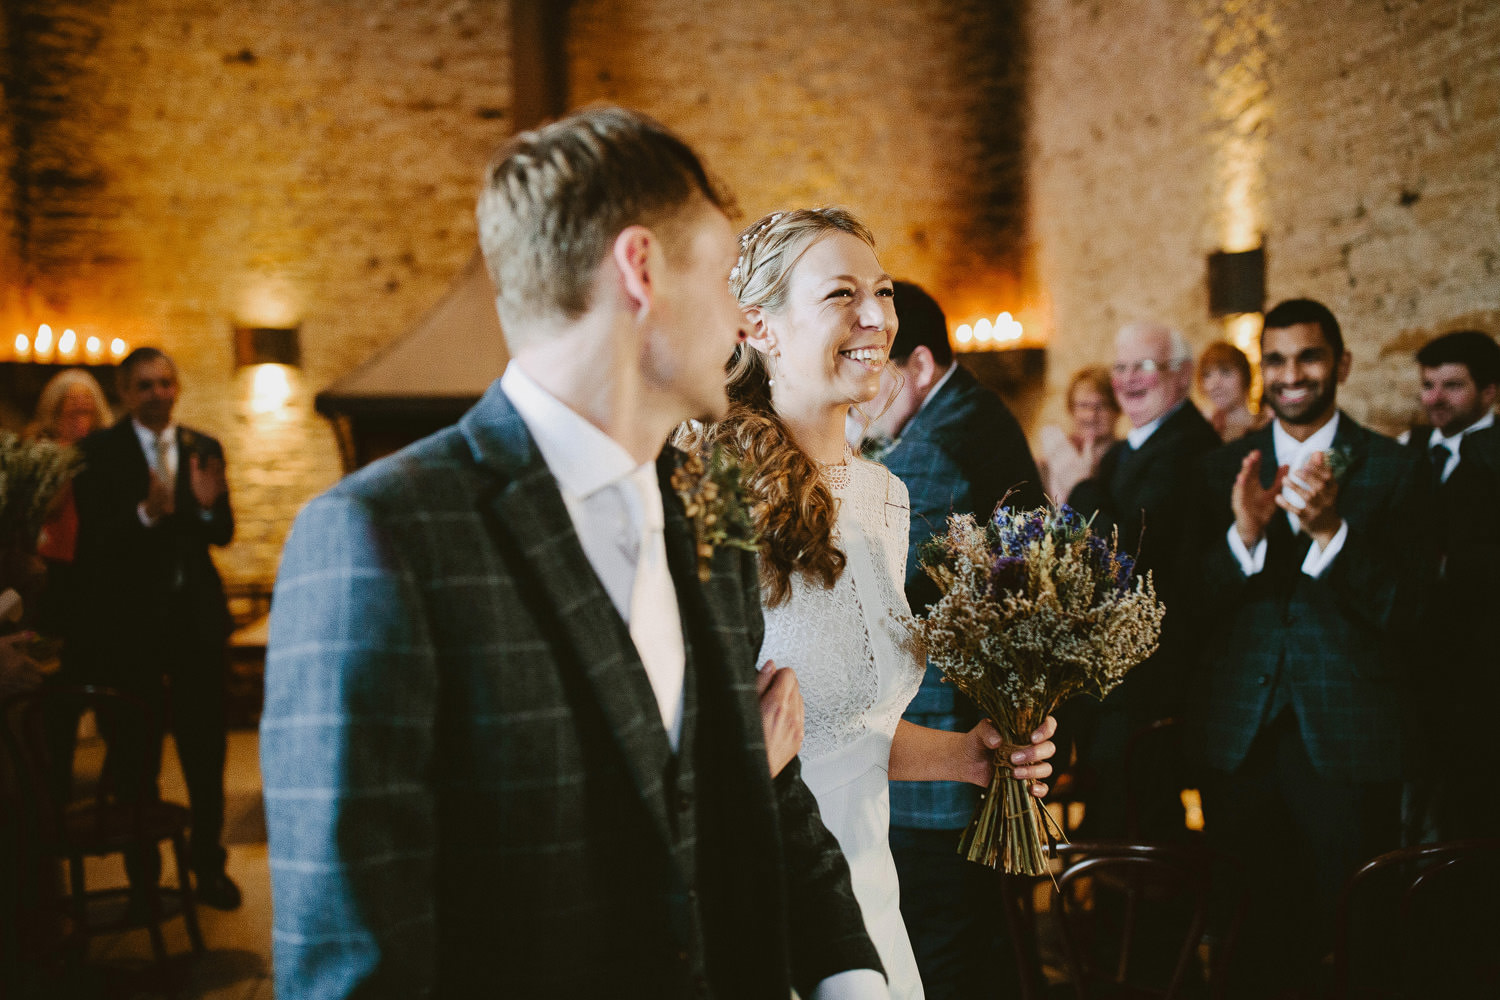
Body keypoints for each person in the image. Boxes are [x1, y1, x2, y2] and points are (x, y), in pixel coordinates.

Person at [261, 108, 888, 998]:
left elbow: (763, 790)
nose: (744, 323)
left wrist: (850, 980)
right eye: (721, 275)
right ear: (641, 270)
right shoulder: (380, 536)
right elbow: (352, 960)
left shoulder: (709, 509)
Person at [693, 208, 1057, 1000]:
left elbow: (854, 726)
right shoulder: (712, 499)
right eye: (842, 295)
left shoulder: (887, 499)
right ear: (760, 326)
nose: (877, 317)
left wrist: (969, 755)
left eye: (884, 291)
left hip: (871, 906)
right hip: (765, 900)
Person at [1191, 299, 1434, 995]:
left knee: (1361, 938)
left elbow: (1412, 612)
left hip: (1351, 740)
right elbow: (1185, 604)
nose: (1291, 373)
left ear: (1342, 365)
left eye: (1309, 356)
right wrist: (1243, 538)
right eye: (1276, 359)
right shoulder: (1219, 472)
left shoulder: (1394, 468)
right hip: (1240, 736)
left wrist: (1333, 534)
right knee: (1249, 939)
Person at [853, 279, 1043, 999]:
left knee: (938, 940)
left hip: (938, 737)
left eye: (876, 366)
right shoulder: (978, 413)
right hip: (973, 729)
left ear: (921, 366)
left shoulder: (933, 450)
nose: (864, 390)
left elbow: (873, 590)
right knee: (973, 935)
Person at [69, 347, 239, 911]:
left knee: (205, 751)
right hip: (130, 631)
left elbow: (222, 532)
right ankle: (144, 878)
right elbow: (91, 546)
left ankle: (208, 865)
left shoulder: (202, 447)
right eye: (145, 385)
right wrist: (145, 515)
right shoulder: (97, 454)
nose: (158, 394)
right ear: (124, 393)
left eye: (166, 383)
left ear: (178, 387)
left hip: (195, 626)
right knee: (135, 758)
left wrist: (210, 509)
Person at [1066, 322, 1221, 840]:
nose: (1128, 380)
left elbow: (1125, 552)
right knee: (1116, 814)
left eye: (1144, 367)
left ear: (1182, 375)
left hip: (1156, 679)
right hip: (1120, 674)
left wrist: (1080, 487)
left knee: (1141, 824)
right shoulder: (1127, 449)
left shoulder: (1189, 447)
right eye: (1121, 367)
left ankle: (1140, 915)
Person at [1401, 329, 1500, 840]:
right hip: (1409, 660)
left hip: (1480, 665)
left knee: (1474, 804)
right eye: (1428, 385)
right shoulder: (1406, 450)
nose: (1435, 398)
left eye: (1452, 385)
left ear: (1490, 391)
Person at [1037, 366, 1119, 500]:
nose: (1091, 415)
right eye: (1083, 405)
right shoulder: (1050, 461)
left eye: (1101, 406)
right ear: (1071, 409)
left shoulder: (1128, 459)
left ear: (1116, 410)